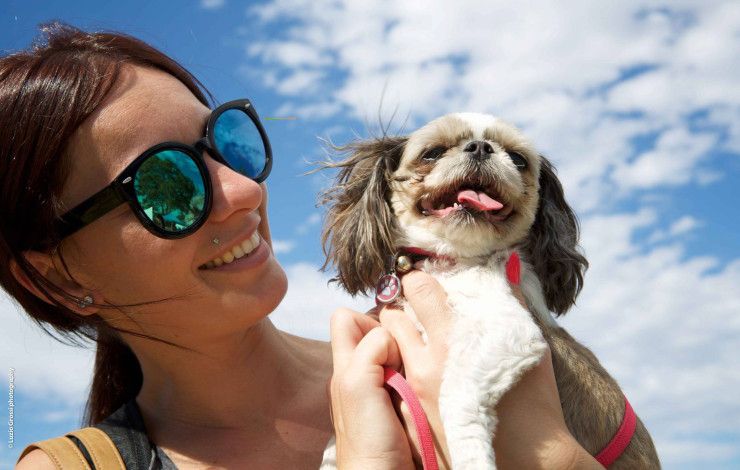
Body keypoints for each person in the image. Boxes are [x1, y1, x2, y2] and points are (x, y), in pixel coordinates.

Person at [2, 23, 601, 469]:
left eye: (227, 142)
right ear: (52, 277)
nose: (242, 190)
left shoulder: (434, 351)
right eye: (165, 185)